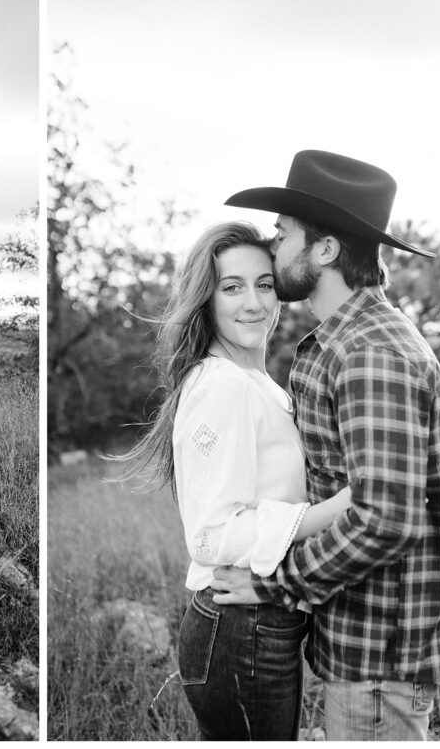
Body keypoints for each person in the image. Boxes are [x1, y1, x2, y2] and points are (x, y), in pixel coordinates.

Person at [210, 150, 440, 741]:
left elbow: (386, 519)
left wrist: (272, 583)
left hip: (380, 647)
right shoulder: (344, 341)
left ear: (324, 250)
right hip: (362, 636)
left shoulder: (369, 354)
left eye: (284, 235)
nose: (274, 246)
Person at [119, 222, 352, 740]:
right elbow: (210, 537)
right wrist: (339, 508)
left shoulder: (258, 382)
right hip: (237, 629)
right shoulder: (220, 386)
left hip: (262, 622)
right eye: (232, 287)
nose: (253, 302)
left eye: (264, 284)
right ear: (206, 301)